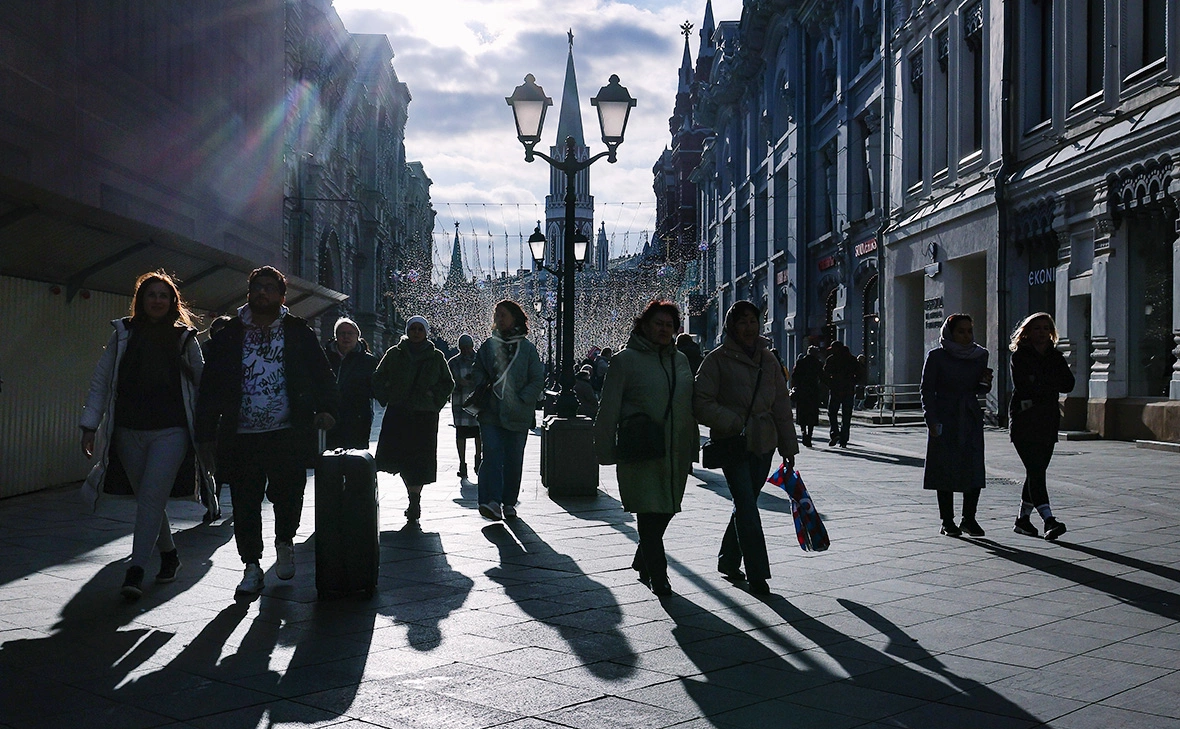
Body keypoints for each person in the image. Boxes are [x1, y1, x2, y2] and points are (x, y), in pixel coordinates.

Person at [195, 266, 338, 596]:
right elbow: (210, 386)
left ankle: (285, 540)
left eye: (269, 288)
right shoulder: (229, 335)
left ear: (281, 296)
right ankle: (252, 566)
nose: (263, 293)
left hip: (287, 431)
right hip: (241, 433)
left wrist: (328, 409)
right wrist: (204, 433)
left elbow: (322, 374)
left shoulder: (297, 331)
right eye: (257, 287)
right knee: (245, 503)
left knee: (289, 494)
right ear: (249, 294)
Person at [79, 271, 206, 599]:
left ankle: (135, 570)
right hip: (128, 431)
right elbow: (101, 381)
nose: (158, 300)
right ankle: (170, 556)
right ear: (140, 300)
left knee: (150, 498)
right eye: (151, 294)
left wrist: (208, 431)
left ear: (173, 301)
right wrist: (89, 426)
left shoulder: (185, 339)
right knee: (149, 500)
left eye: (164, 295)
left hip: (171, 430)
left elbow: (202, 385)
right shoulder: (124, 334)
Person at [594, 300, 697, 597]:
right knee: (648, 515)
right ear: (644, 326)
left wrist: (691, 448)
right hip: (640, 450)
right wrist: (604, 450)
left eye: (669, 325)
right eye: (658, 324)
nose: (664, 330)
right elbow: (608, 409)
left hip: (674, 451)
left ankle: (643, 557)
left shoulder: (680, 361)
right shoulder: (625, 361)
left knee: (665, 511)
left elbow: (689, 406)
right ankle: (659, 575)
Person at [695, 300, 798, 595]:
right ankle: (757, 572)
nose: (749, 327)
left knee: (746, 502)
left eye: (752, 320)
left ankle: (728, 560)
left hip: (764, 442)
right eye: (742, 322)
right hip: (733, 441)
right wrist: (731, 419)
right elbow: (701, 402)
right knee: (747, 504)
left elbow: (780, 403)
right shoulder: (716, 360)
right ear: (731, 326)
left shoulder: (769, 359)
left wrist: (788, 445)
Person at [373, 315, 454, 522]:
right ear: (408, 330)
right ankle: (412, 496)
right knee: (399, 458)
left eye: (420, 329)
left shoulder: (436, 357)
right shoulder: (395, 353)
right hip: (399, 413)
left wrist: (435, 399)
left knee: (418, 462)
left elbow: (448, 383)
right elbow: (378, 377)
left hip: (424, 416)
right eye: (413, 328)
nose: (416, 332)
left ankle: (415, 500)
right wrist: (388, 394)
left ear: (426, 332)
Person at [920, 313, 992, 537]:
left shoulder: (980, 355)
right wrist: (931, 419)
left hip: (969, 416)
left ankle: (969, 519)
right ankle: (947, 521)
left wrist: (985, 384)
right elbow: (927, 390)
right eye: (961, 331)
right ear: (950, 333)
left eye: (969, 331)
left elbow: (979, 389)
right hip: (945, 416)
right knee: (945, 468)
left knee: (973, 467)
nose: (966, 336)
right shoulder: (937, 356)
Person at [472, 300, 545, 520]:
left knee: (514, 459)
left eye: (503, 315)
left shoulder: (527, 349)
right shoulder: (488, 345)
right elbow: (477, 371)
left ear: (515, 317)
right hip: (491, 411)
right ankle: (491, 501)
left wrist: (523, 399)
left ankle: (509, 501)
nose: (498, 319)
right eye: (496, 315)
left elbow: (537, 379)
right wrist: (485, 384)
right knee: (492, 453)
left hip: (518, 413)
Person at [1008, 312, 1075, 540]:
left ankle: (1023, 520)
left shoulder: (1055, 357)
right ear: (1027, 332)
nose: (1042, 332)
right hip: (1024, 420)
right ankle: (1049, 520)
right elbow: (1024, 386)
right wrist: (1046, 383)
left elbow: (1069, 384)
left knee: (1036, 471)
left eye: (1046, 328)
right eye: (1037, 328)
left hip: (1047, 420)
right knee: (1036, 470)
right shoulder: (1020, 356)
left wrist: (1040, 381)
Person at [199, 314, 233, 523]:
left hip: (232, 415)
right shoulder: (205, 351)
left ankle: (233, 504)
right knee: (208, 463)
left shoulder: (240, 351)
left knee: (233, 463)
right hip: (209, 415)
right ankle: (212, 504)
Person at [325, 318, 377, 450]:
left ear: (358, 336)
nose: (346, 337)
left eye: (350, 333)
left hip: (357, 417)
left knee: (355, 460)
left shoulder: (368, 361)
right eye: (342, 333)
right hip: (329, 416)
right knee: (329, 460)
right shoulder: (324, 358)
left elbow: (376, 388)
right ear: (335, 336)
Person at [448, 334, 482, 481]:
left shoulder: (480, 361)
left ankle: (478, 459)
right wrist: (457, 383)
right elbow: (447, 382)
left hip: (476, 402)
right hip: (460, 403)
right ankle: (462, 464)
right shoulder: (453, 362)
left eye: (468, 347)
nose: (466, 351)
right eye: (463, 348)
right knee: (461, 434)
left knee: (478, 434)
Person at [823, 340, 858, 447]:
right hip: (848, 390)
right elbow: (860, 373)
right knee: (846, 415)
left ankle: (835, 433)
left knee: (832, 412)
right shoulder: (851, 359)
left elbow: (824, 374)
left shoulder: (832, 359)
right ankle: (844, 439)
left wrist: (830, 383)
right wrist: (853, 382)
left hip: (836, 390)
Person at [790, 346, 824, 447]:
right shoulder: (817, 363)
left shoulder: (801, 362)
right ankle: (809, 434)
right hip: (813, 392)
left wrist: (795, 387)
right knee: (812, 414)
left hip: (802, 391)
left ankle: (803, 431)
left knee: (802, 413)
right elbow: (822, 376)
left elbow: (794, 376)